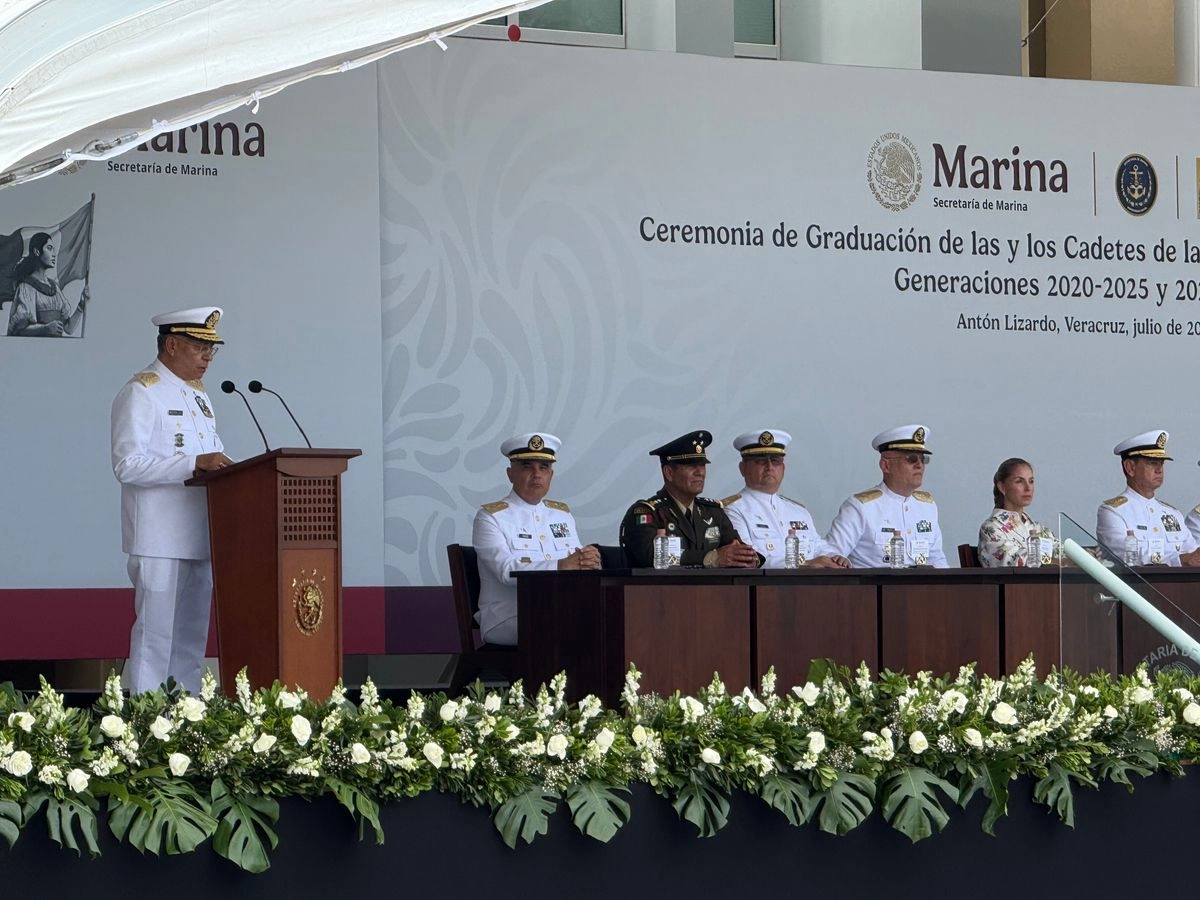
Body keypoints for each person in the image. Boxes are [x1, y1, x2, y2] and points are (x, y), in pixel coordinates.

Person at [110, 307, 234, 694]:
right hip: (159, 537)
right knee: (156, 635)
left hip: (200, 533)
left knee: (191, 637)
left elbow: (211, 456)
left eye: (212, 350)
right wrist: (193, 464)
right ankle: (147, 723)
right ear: (172, 344)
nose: (207, 358)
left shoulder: (199, 398)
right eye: (200, 348)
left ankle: (187, 717)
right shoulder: (141, 392)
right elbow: (127, 465)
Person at [472, 432, 600, 645]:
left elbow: (576, 567)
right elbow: (506, 571)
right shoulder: (491, 517)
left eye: (544, 468)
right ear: (510, 474)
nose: (537, 474)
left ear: (551, 474)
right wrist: (560, 566)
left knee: (613, 618)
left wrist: (589, 561)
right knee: (568, 623)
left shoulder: (562, 515)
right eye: (526, 466)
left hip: (560, 607)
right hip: (508, 614)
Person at [619, 430, 761, 568]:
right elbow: (651, 556)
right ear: (669, 473)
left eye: (702, 466)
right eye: (691, 466)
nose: (700, 473)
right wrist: (711, 557)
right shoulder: (647, 512)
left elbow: (739, 551)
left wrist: (748, 559)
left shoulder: (712, 512)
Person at [824, 424, 948, 568]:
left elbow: (936, 558)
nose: (919, 465)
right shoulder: (860, 507)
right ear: (886, 466)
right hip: (874, 588)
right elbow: (830, 553)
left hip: (920, 588)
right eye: (911, 459)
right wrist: (839, 561)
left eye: (923, 459)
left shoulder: (927, 506)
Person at [722, 429, 850, 568]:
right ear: (742, 468)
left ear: (783, 468)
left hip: (811, 587)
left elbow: (818, 546)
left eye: (775, 461)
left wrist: (835, 557)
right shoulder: (732, 509)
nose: (769, 467)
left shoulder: (798, 511)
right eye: (760, 461)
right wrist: (806, 564)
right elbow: (750, 559)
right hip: (765, 587)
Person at [1097, 430, 1200, 566]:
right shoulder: (1112, 512)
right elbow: (1130, 555)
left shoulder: (1172, 514)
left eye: (1161, 463)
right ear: (1130, 468)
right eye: (1152, 463)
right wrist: (1178, 560)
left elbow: (1193, 554)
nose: (1159, 470)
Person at [977, 457, 1058, 567]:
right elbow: (1015, 561)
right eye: (1019, 481)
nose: (1028, 488)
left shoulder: (1038, 528)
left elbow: (1061, 551)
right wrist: (1058, 561)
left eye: (1031, 481)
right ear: (1002, 487)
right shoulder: (991, 529)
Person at [6, 232, 90, 336]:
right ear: (37, 251)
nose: (54, 254)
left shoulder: (54, 287)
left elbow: (69, 328)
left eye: (54, 250)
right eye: (49, 248)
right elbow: (18, 331)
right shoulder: (26, 287)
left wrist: (81, 306)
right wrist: (45, 329)